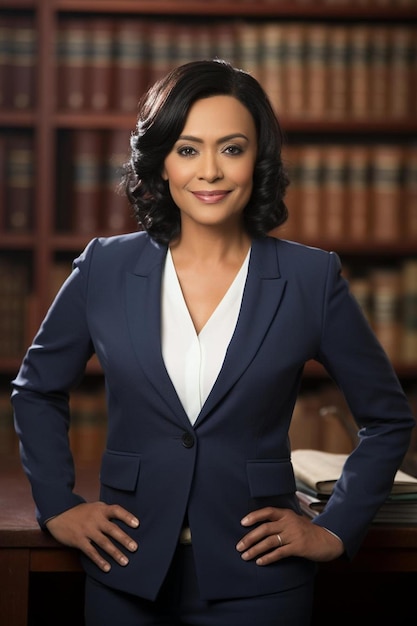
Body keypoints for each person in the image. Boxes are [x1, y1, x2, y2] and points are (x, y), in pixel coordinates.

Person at [11, 59, 415, 626]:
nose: (210, 172)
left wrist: (335, 528)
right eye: (187, 149)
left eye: (231, 148)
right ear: (161, 163)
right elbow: (36, 390)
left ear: (258, 160)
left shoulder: (310, 279)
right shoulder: (104, 266)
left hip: (261, 580)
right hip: (124, 567)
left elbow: (387, 418)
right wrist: (57, 506)